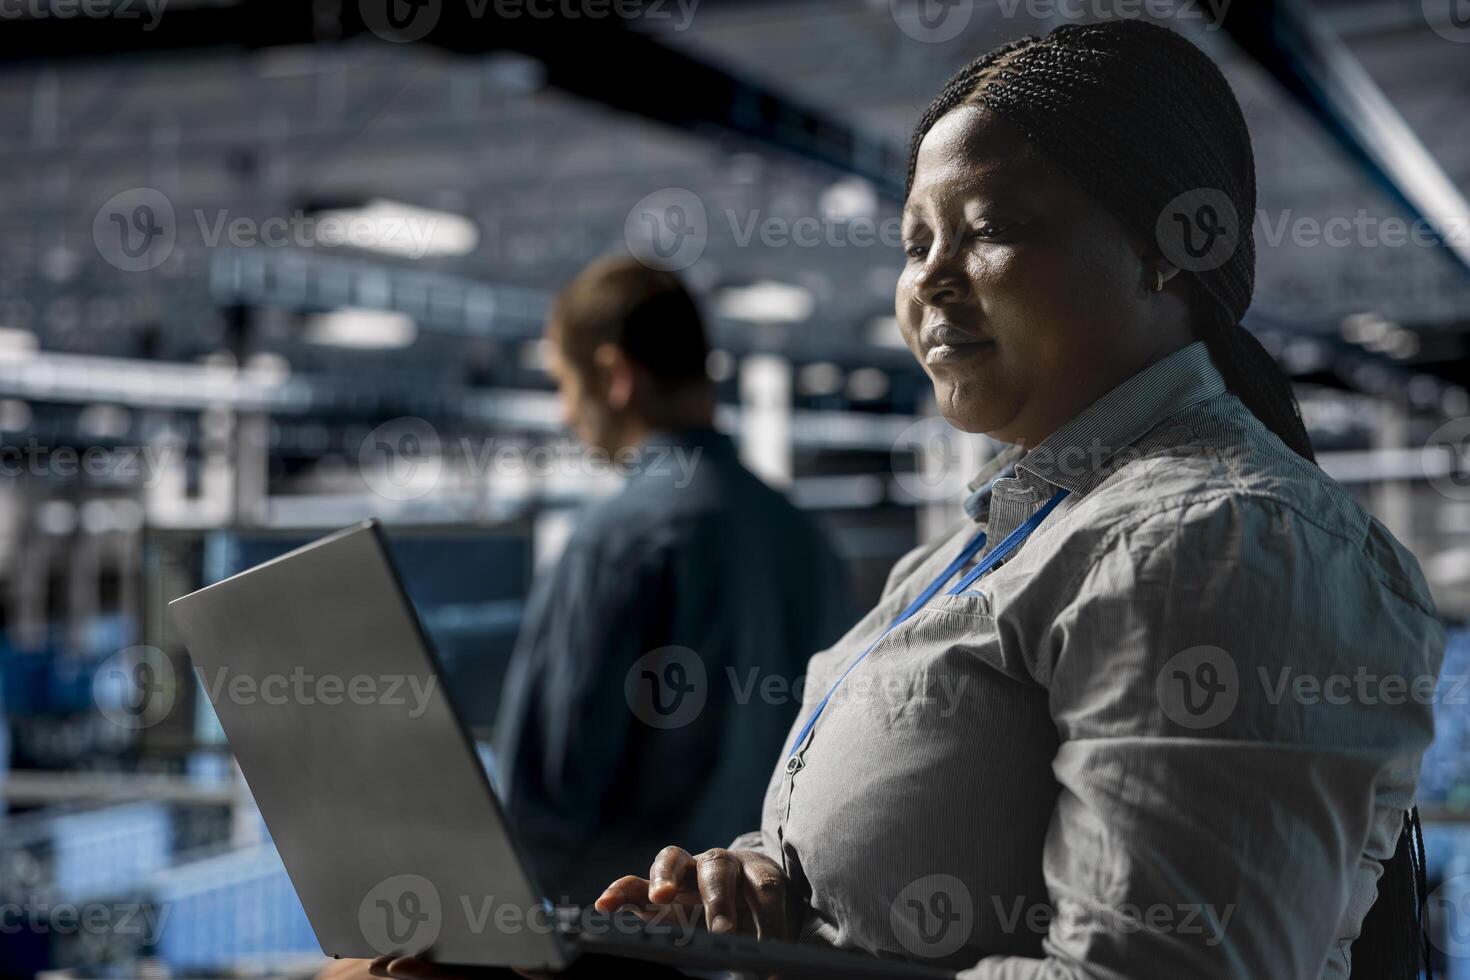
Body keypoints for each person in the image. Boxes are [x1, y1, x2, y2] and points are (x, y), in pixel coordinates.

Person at [370, 20, 1445, 980]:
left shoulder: (1221, 542)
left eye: (987, 228)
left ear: (1167, 249)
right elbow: (877, 881)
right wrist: (753, 886)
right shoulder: (968, 549)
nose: (930, 279)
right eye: (914, 242)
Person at [491, 255, 855, 905]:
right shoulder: (809, 540)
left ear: (613, 375)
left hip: (628, 948)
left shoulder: (614, 543)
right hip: (774, 949)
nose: (566, 414)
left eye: (563, 384)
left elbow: (541, 810)